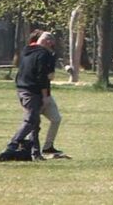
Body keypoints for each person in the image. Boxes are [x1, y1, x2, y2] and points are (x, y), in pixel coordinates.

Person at [0, 29, 57, 161]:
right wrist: (45, 96)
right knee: (30, 121)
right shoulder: (44, 54)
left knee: (35, 122)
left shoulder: (27, 50)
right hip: (33, 91)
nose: (52, 44)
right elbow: (43, 77)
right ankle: (12, 146)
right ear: (47, 42)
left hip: (21, 89)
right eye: (51, 42)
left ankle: (35, 153)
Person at [24, 30, 67, 158]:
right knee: (31, 124)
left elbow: (49, 77)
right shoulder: (30, 53)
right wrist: (44, 97)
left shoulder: (48, 55)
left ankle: (48, 147)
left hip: (44, 93)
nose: (50, 42)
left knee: (56, 119)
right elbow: (44, 76)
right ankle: (26, 148)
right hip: (33, 94)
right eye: (47, 39)